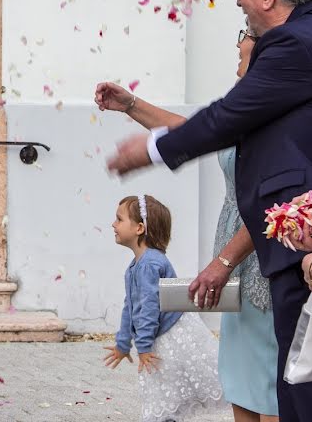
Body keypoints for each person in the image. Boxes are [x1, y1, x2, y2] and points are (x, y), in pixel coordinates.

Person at [106, 0, 312, 420]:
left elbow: (228, 117)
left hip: (295, 237)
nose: (239, 1)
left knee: (299, 378)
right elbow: (224, 123)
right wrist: (137, 111)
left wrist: (153, 150)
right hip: (284, 241)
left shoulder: (291, 44)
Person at [95, 26, 279, 421]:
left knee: (269, 383)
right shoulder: (248, 103)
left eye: (245, 33)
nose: (236, 39)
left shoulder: (274, 105)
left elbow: (268, 205)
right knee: (242, 381)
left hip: (261, 255)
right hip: (236, 259)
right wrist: (131, 105)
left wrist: (223, 263)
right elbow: (196, 129)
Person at [103, 195, 224, 422]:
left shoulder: (150, 263)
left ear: (139, 228)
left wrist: (144, 345)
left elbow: (149, 307)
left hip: (170, 337)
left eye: (119, 219)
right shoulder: (136, 265)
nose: (113, 224)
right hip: (161, 336)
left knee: (163, 397)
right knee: (163, 396)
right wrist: (122, 343)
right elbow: (130, 306)